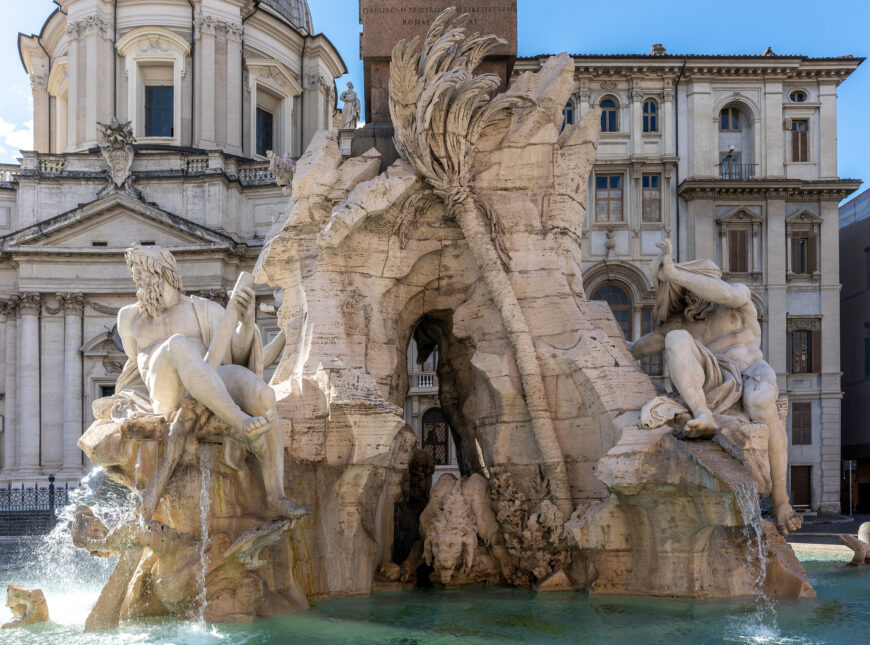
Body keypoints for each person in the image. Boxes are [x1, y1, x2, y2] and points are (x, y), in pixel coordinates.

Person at [116, 245, 304, 519]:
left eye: (142, 274)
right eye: (136, 277)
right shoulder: (129, 317)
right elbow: (134, 366)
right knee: (178, 345)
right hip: (167, 391)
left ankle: (276, 494)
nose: (138, 283)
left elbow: (237, 355)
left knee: (264, 397)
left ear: (163, 273)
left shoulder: (203, 309)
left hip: (209, 378)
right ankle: (242, 423)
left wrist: (247, 323)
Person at [630, 240, 802, 535]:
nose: (692, 296)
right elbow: (635, 349)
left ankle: (780, 500)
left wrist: (673, 272)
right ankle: (703, 415)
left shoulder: (735, 297)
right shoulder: (679, 324)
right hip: (712, 381)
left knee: (760, 401)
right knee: (676, 339)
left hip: (750, 371)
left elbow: (722, 292)